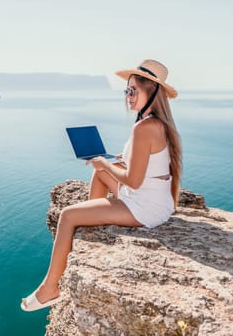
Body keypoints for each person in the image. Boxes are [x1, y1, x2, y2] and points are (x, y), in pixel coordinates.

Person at [21, 59, 182, 312]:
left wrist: (102, 163)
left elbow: (133, 180)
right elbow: (147, 164)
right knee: (100, 177)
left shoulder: (144, 127)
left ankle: (50, 289)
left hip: (144, 206)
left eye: (132, 91)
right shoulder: (157, 123)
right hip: (156, 200)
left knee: (67, 215)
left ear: (150, 92)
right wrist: (117, 160)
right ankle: (93, 219)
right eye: (126, 91)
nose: (127, 96)